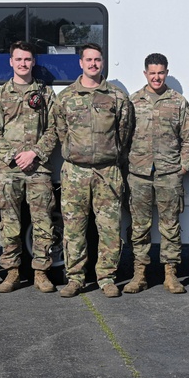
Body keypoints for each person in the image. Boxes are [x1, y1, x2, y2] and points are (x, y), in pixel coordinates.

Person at [54, 43, 134, 298]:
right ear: (80, 63)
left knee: (109, 228)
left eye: (97, 59)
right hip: (75, 172)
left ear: (102, 62)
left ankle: (107, 277)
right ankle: (75, 278)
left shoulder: (117, 96)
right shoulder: (66, 97)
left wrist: (109, 155)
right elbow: (61, 131)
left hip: (107, 172)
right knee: (74, 229)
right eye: (88, 60)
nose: (93, 64)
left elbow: (124, 132)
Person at [0, 41, 59, 293]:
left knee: (43, 222)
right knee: (9, 223)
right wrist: (14, 156)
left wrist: (35, 153)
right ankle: (12, 273)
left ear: (33, 62)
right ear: (11, 62)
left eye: (27, 59)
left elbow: (53, 129)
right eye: (19, 59)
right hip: (10, 169)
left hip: (38, 168)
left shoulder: (46, 93)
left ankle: (41, 273)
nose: (23, 64)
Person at [124, 53, 189, 294]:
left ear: (166, 73)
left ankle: (170, 274)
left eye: (161, 72)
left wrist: (183, 166)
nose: (157, 77)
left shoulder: (178, 102)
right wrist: (129, 164)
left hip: (169, 174)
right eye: (152, 73)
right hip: (139, 174)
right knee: (139, 227)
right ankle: (139, 274)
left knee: (170, 226)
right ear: (145, 74)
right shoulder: (133, 102)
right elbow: (122, 136)